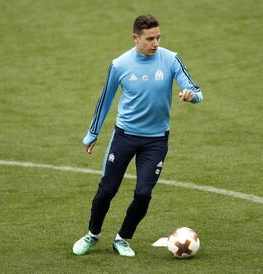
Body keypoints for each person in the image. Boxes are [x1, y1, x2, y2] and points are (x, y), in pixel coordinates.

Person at [72, 14, 202, 257]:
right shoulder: (120, 65)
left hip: (156, 141)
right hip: (124, 137)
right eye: (150, 39)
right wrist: (92, 133)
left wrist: (191, 96)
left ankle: (122, 238)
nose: (155, 43)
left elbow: (195, 90)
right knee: (107, 190)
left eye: (158, 38)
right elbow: (105, 100)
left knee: (143, 193)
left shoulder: (171, 59)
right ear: (135, 38)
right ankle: (93, 234)